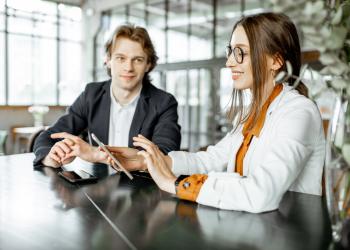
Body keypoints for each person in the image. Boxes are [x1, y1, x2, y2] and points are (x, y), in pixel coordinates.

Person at [104, 12, 325, 213]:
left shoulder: (299, 113)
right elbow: (212, 160)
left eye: (241, 53)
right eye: (231, 51)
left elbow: (261, 193)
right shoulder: (252, 112)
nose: (229, 62)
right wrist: (150, 161)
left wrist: (176, 184)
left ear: (275, 61)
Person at [33, 24, 181, 168]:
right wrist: (52, 158)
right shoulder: (91, 95)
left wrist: (96, 154)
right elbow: (47, 138)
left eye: (137, 60)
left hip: (144, 188)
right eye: (120, 58)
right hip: (99, 188)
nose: (128, 67)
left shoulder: (164, 103)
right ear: (108, 60)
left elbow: (166, 155)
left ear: (148, 64)